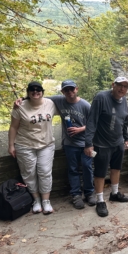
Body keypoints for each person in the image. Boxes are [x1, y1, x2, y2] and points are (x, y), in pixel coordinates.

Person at [13, 80, 95, 210]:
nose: (69, 92)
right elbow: (36, 97)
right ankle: (76, 195)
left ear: (76, 89)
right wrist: (21, 98)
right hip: (69, 144)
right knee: (72, 169)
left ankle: (90, 193)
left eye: (71, 89)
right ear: (62, 92)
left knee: (87, 167)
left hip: (86, 143)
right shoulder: (59, 100)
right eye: (66, 90)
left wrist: (81, 130)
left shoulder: (85, 104)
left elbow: (94, 123)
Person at [8, 81, 58, 214]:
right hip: (25, 144)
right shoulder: (20, 106)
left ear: (42, 91)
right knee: (29, 173)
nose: (35, 92)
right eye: (32, 90)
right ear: (28, 92)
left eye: (38, 90)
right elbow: (13, 126)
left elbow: (67, 99)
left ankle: (46, 201)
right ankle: (36, 200)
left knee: (45, 171)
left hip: (46, 144)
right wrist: (11, 145)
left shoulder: (50, 103)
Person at [84, 77, 128, 217]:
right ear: (113, 85)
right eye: (120, 85)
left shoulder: (124, 101)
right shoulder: (101, 97)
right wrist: (88, 143)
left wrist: (126, 138)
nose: (122, 89)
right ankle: (99, 201)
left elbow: (124, 120)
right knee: (100, 173)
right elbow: (92, 121)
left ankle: (115, 193)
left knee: (116, 168)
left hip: (118, 142)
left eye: (125, 87)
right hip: (102, 144)